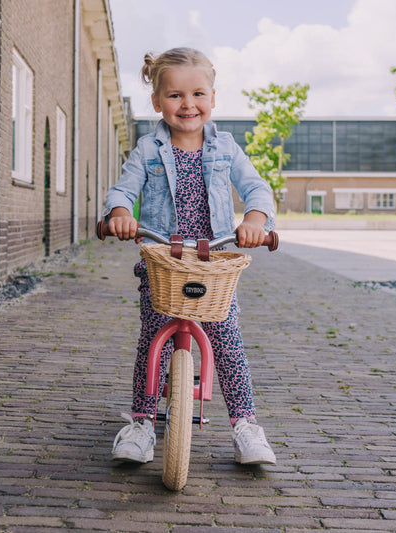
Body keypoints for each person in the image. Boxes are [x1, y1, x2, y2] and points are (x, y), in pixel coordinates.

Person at [103, 47, 277, 466]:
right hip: (163, 260)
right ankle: (142, 422)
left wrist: (254, 219)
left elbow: (256, 188)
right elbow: (124, 190)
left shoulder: (226, 147)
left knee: (228, 341)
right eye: (176, 96)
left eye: (198, 94)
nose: (188, 105)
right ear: (157, 102)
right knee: (154, 341)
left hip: (214, 262)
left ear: (213, 99)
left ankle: (245, 426)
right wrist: (121, 214)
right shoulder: (148, 149)